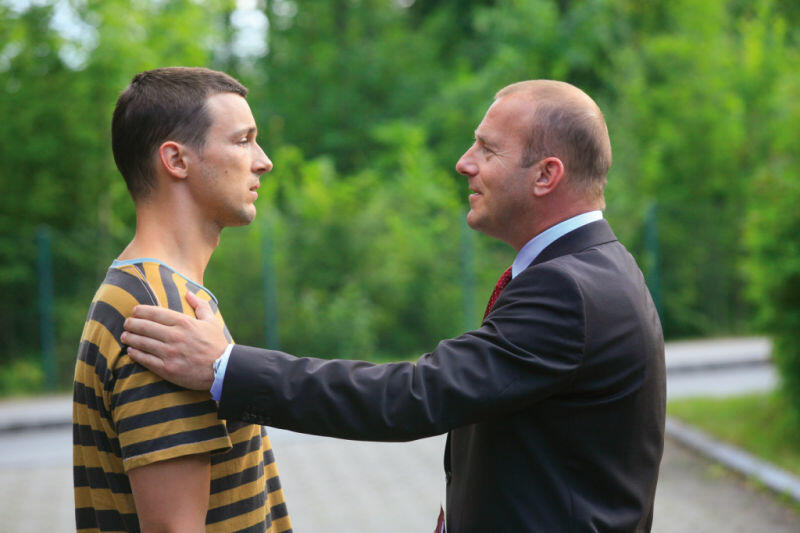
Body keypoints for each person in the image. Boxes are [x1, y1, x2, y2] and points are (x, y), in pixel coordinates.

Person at [122, 80, 666, 532]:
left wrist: (224, 368)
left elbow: (415, 397)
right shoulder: (589, 270)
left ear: (546, 175)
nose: (464, 163)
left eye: (487, 149)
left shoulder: (569, 289)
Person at [72, 67, 292, 533]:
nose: (264, 161)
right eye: (243, 141)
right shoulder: (161, 311)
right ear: (175, 160)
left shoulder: (151, 291)